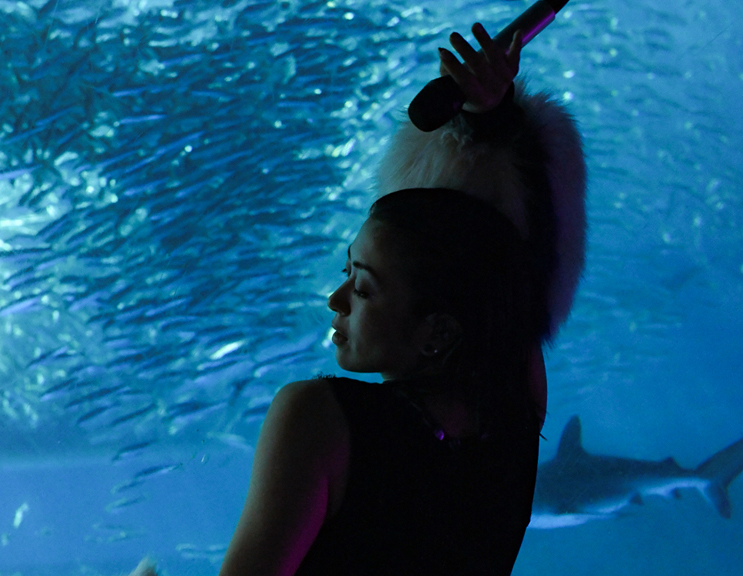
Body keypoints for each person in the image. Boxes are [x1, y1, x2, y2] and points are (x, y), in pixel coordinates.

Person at [213, 21, 587, 576]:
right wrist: (492, 125)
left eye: (363, 286)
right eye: (347, 274)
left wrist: (480, 124)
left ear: (438, 331)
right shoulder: (515, 416)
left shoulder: (316, 419)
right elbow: (503, 270)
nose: (336, 300)